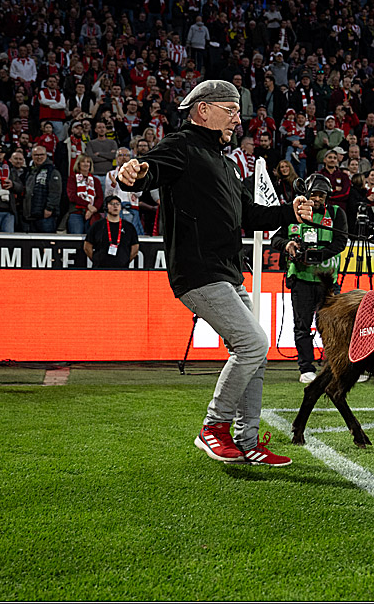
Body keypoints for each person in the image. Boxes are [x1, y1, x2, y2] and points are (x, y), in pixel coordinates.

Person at [118, 79, 314, 468]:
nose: (237, 119)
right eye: (231, 110)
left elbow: (254, 216)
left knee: (255, 354)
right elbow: (150, 172)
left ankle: (247, 440)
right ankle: (214, 426)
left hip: (226, 273)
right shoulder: (181, 145)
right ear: (203, 109)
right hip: (199, 271)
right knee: (254, 344)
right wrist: (134, 175)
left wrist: (291, 211)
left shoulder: (225, 163)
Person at [270, 173, 348, 384]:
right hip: (301, 279)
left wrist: (319, 256)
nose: (317, 198)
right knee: (302, 326)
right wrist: (288, 246)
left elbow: (341, 241)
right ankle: (306, 368)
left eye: (321, 195)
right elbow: (275, 238)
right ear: (305, 194)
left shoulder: (336, 213)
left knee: (332, 325)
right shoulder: (295, 213)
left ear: (327, 196)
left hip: (327, 280)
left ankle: (334, 365)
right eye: (313, 194)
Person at [84, 195, 139, 268]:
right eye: (112, 204)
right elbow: (87, 246)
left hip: (121, 269)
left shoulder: (129, 227)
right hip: (100, 268)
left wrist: (125, 261)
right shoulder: (97, 225)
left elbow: (135, 247)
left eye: (118, 204)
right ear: (106, 207)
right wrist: (96, 260)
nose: (115, 206)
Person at [104, 147, 144, 234]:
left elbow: (139, 194)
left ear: (130, 158)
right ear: (116, 158)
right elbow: (108, 195)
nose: (123, 157)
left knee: (131, 235)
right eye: (120, 155)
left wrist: (130, 183)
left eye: (126, 155)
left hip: (131, 210)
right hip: (115, 211)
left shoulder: (135, 173)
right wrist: (114, 184)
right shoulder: (111, 174)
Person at [23, 146, 63, 233]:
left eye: (41, 154)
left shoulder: (52, 171)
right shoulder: (29, 171)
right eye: (36, 155)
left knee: (46, 243)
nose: (39, 157)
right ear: (32, 156)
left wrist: (49, 208)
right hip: (31, 215)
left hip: (46, 216)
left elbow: (56, 192)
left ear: (46, 155)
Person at [66, 153, 103, 235]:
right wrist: (88, 205)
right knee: (77, 238)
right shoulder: (72, 179)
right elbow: (72, 196)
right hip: (76, 213)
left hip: (92, 213)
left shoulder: (95, 180)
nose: (86, 164)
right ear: (78, 164)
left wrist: (93, 209)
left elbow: (100, 197)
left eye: (88, 162)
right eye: (83, 162)